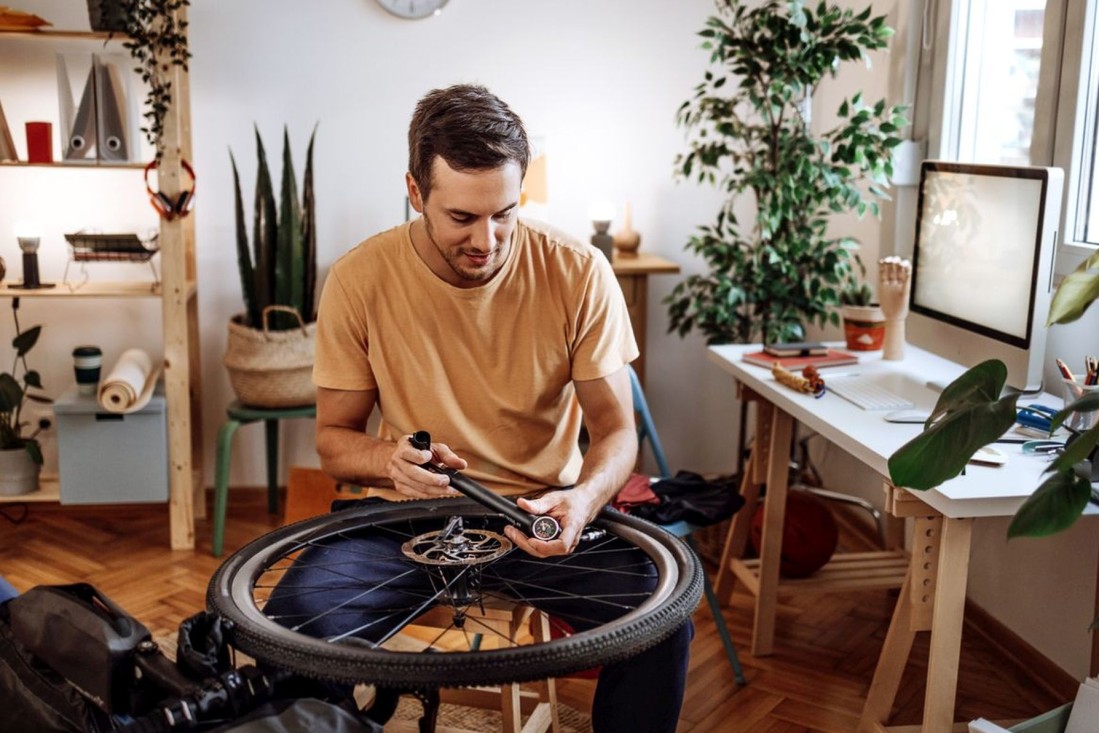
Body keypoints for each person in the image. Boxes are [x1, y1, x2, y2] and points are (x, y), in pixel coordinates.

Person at [266, 83, 692, 732]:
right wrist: (389, 460)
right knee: (293, 631)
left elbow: (614, 431)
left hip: (541, 511)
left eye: (504, 213)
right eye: (462, 217)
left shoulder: (578, 272)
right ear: (414, 191)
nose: (487, 240)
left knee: (659, 623)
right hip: (404, 515)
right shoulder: (359, 277)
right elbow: (333, 440)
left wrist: (579, 501)